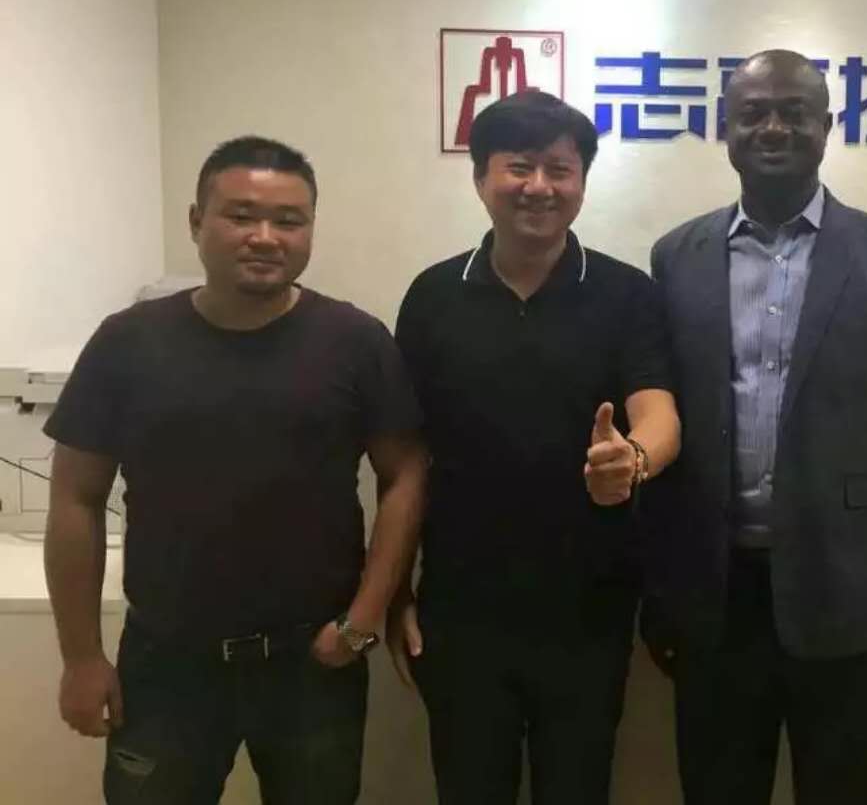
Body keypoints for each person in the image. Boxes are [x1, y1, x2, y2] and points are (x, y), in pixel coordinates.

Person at [44, 136, 427, 804]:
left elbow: (406, 474)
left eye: (289, 220)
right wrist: (80, 657)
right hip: (168, 661)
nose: (265, 237)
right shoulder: (127, 341)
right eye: (241, 215)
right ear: (197, 221)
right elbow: (76, 497)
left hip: (314, 660)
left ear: (311, 229)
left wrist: (364, 618)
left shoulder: (356, 341)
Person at [646, 49, 867, 805]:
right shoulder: (677, 256)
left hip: (852, 597)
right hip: (716, 599)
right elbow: (664, 431)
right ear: (725, 128)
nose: (773, 128)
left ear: (827, 126)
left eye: (794, 112)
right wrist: (660, 595)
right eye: (753, 113)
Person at [391, 90, 680, 804]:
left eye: (560, 169)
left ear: (582, 181)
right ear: (480, 177)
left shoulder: (626, 294)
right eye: (519, 167)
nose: (539, 187)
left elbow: (659, 412)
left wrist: (633, 460)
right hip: (460, 609)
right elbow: (404, 460)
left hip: (588, 609)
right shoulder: (433, 296)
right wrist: (393, 592)